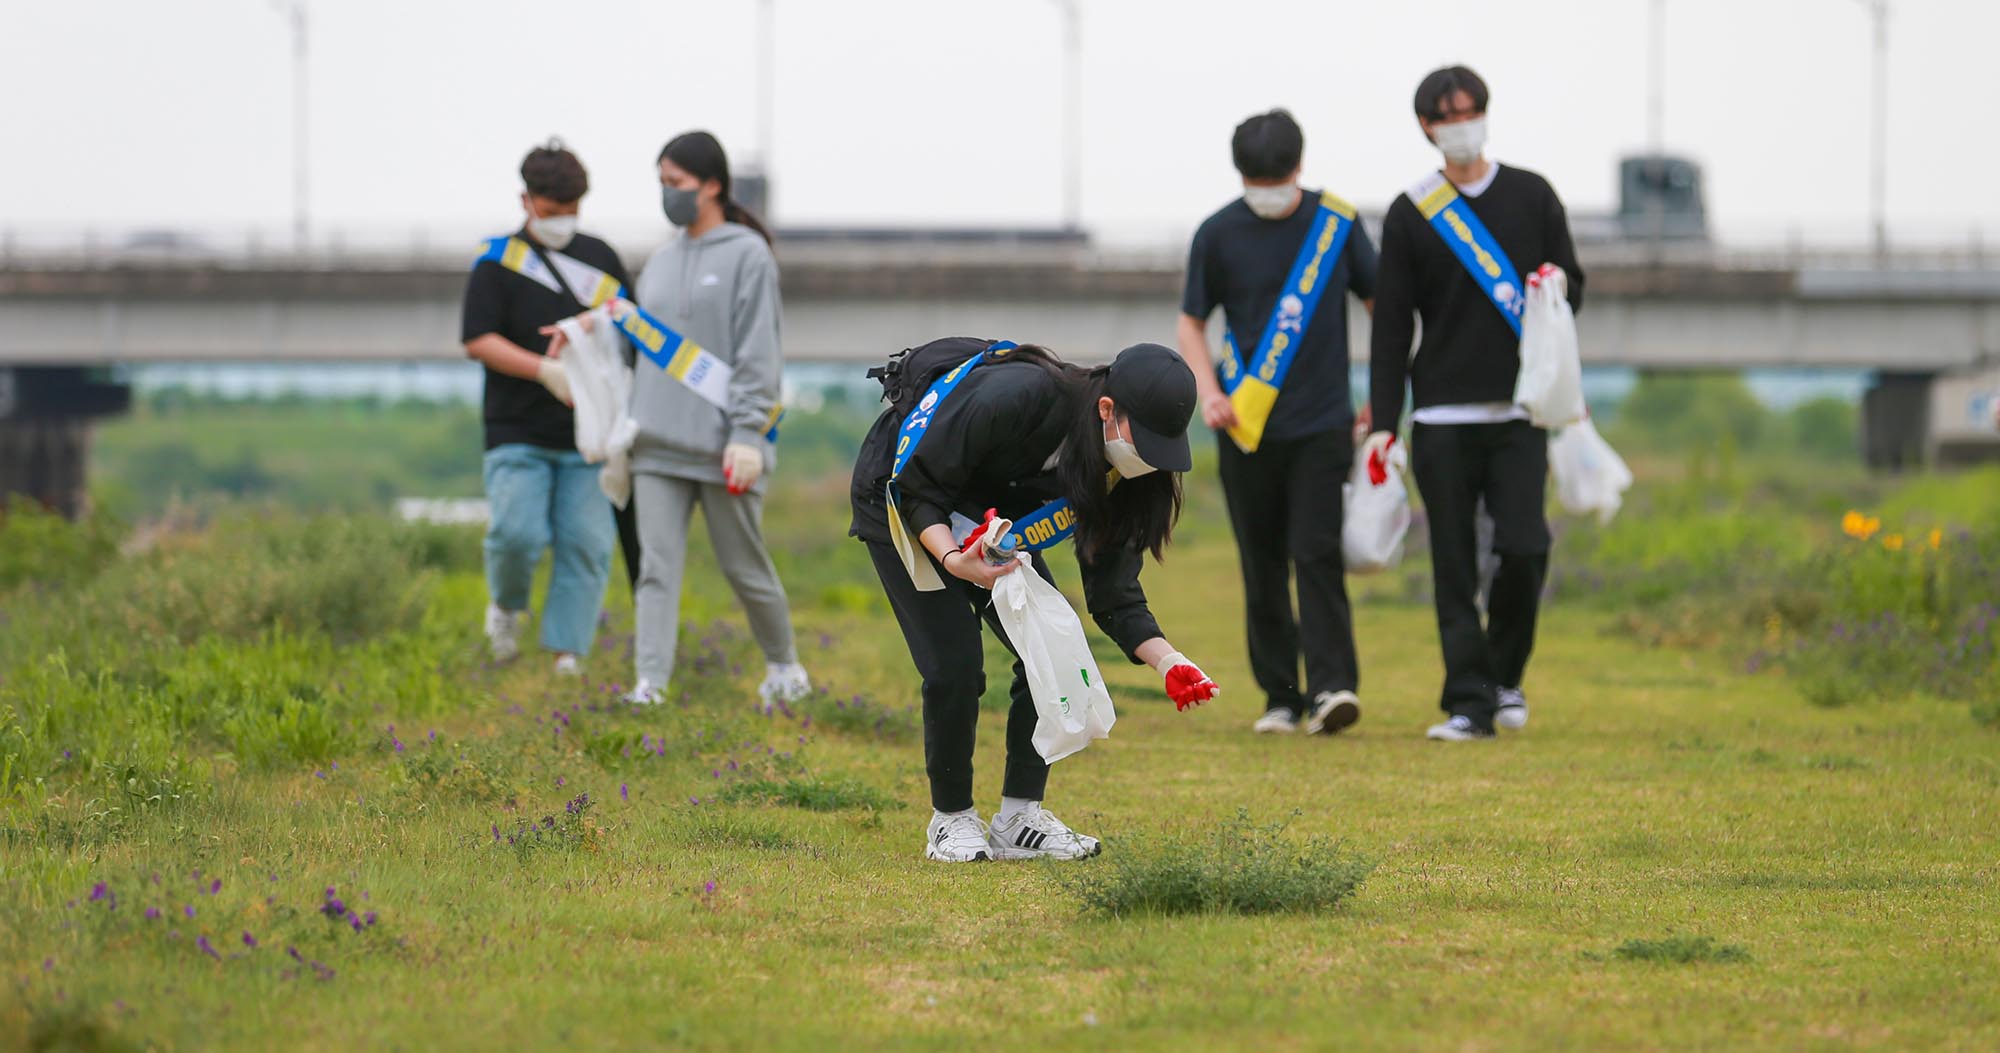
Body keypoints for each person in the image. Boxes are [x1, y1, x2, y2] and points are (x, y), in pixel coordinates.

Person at [849, 339, 1219, 863]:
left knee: (1048, 647)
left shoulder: (1126, 470)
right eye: (1149, 440)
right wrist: (956, 560)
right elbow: (918, 486)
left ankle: (1019, 818)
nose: (1154, 460)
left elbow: (1114, 593)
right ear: (1107, 410)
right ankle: (950, 821)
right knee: (955, 665)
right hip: (903, 497)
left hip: (986, 519)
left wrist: (1170, 662)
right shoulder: (1019, 397)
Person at [1365, 66, 1585, 741]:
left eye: (1469, 109)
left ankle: (1504, 672)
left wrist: (1554, 285)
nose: (1460, 122)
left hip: (1519, 413)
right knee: (1454, 565)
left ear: (1485, 112)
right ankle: (1469, 702)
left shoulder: (1532, 195)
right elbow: (1392, 326)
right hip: (1440, 417)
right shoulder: (1411, 211)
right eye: (1446, 114)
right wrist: (1382, 424)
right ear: (1428, 127)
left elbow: (1572, 285)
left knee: (1524, 548)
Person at [1175, 109, 1377, 737]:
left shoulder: (1336, 224)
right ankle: (1280, 698)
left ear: (1298, 167)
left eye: (1276, 177)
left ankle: (1332, 689)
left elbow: (1381, 303)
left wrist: (1379, 393)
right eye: (1255, 180)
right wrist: (1207, 392)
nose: (1267, 189)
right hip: (1244, 426)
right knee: (1260, 563)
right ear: (1242, 176)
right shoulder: (1217, 234)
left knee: (1315, 555)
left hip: (1323, 423)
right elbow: (1191, 322)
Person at [620, 131, 809, 707]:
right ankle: (649, 684)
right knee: (654, 570)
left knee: (743, 566)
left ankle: (786, 670)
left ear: (712, 185)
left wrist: (747, 433)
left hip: (727, 446)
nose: (667, 194)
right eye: (661, 184)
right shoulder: (658, 261)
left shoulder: (748, 255)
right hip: (655, 444)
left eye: (675, 183)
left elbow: (758, 351)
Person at [461, 139, 628, 674]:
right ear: (526, 200)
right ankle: (507, 607)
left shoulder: (600, 259)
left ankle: (566, 655)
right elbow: (477, 340)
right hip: (516, 431)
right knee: (516, 535)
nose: (564, 222)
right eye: (554, 212)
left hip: (590, 432)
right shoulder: (496, 263)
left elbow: (632, 328)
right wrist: (544, 370)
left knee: (585, 545)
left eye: (573, 211)